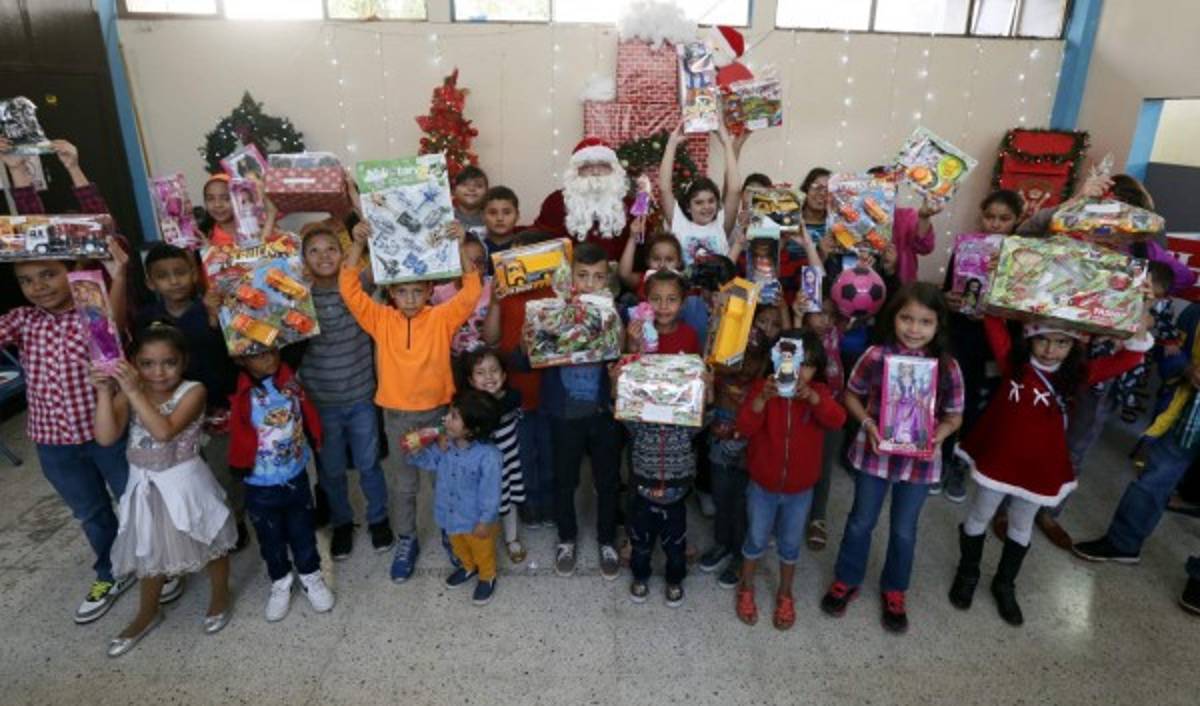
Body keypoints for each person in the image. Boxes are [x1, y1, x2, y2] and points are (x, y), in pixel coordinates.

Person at [952, 317, 1148, 625]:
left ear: (1074, 346)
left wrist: (1139, 321)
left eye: (1062, 343)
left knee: (1021, 523)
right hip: (999, 460)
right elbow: (993, 320)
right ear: (1029, 338)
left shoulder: (1076, 376)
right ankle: (967, 572)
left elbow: (1129, 358)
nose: (1050, 350)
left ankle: (1005, 583)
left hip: (1039, 467)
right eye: (1043, 339)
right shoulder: (1011, 362)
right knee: (979, 514)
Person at [340, 220, 481, 583]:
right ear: (391, 294)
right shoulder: (380, 319)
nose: (411, 299)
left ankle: (452, 534)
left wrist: (461, 245)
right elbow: (349, 289)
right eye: (403, 292)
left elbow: (471, 291)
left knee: (442, 481)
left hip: (438, 415)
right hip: (397, 415)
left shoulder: (441, 318)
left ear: (430, 289)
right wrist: (357, 245)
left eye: (418, 291)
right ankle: (407, 540)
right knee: (404, 484)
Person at [821, 283, 964, 633]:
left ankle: (895, 589)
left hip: (920, 462)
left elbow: (954, 415)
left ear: (938, 325)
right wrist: (868, 424)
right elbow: (851, 396)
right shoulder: (875, 356)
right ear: (893, 318)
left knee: (904, 530)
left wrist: (937, 436)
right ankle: (847, 578)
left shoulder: (947, 367)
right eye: (906, 318)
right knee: (860, 521)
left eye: (925, 322)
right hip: (875, 455)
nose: (914, 329)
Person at [0, 251, 133, 624]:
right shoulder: (22, 320)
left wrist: (118, 277)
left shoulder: (89, 311)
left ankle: (154, 563)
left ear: (71, 272)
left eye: (48, 275)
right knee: (90, 512)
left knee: (133, 498)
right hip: (52, 441)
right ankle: (110, 570)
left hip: (105, 434)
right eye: (26, 280)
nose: (38, 286)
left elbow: (115, 327)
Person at [92, 325, 237, 657]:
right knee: (148, 548)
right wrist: (104, 392)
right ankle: (147, 612)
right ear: (133, 364)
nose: (158, 372)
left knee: (210, 539)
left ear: (183, 361)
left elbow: (164, 432)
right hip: (143, 485)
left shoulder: (193, 391)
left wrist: (133, 392)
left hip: (185, 483)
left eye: (168, 362)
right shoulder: (132, 392)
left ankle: (219, 594)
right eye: (146, 364)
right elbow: (105, 436)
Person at [1072, 303, 1200, 567]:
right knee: (1152, 481)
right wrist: (1187, 370)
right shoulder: (1195, 314)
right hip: (1187, 418)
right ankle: (1123, 544)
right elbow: (1171, 351)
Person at [138, 244, 247, 552]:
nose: (174, 281)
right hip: (174, 413)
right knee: (191, 473)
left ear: (194, 275)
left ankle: (235, 519)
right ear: (150, 282)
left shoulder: (209, 306)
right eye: (163, 276)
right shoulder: (148, 317)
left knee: (227, 468)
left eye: (181, 272)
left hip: (218, 406)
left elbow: (234, 349)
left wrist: (215, 317)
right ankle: (197, 522)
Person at [735, 330, 846, 629]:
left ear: (817, 367)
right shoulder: (763, 388)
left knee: (789, 544)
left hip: (800, 489)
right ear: (776, 361)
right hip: (762, 485)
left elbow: (837, 420)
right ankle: (746, 587)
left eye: (806, 364)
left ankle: (785, 592)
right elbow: (744, 426)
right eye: (791, 362)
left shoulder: (818, 393)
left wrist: (813, 398)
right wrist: (761, 398)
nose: (798, 372)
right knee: (756, 538)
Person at [532, 241, 625, 579]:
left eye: (598, 277)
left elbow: (625, 354)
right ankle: (566, 538)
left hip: (603, 412)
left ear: (607, 281)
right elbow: (529, 355)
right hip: (563, 412)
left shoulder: (616, 312)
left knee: (608, 479)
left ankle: (607, 539)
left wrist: (617, 328)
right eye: (582, 276)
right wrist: (541, 327)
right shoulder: (552, 311)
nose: (589, 283)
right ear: (569, 276)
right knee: (564, 479)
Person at [298, 227, 392, 560]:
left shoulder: (356, 288)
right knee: (332, 469)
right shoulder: (298, 296)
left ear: (343, 255)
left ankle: (378, 518)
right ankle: (342, 523)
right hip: (321, 403)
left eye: (331, 249)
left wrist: (361, 238)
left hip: (361, 397)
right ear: (302, 259)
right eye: (314, 251)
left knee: (369, 464)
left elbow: (369, 263)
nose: (324, 256)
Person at [228, 346, 333, 622]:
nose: (270, 358)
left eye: (273, 351)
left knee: (303, 529)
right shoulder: (238, 387)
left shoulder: (289, 378)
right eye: (258, 354)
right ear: (240, 358)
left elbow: (299, 339)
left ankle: (311, 575)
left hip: (295, 475)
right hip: (259, 483)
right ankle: (280, 581)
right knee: (270, 538)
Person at [937, 189, 1024, 503]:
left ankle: (961, 464)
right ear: (981, 215)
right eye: (990, 217)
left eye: (1004, 218)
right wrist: (947, 299)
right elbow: (948, 290)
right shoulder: (966, 247)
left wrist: (1004, 309)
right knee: (950, 397)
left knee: (979, 403)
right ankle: (940, 456)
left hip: (996, 341)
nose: (996, 224)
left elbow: (1026, 307)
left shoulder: (1023, 255)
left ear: (1017, 221)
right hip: (961, 334)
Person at [613, 358, 705, 607]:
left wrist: (707, 386)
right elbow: (619, 407)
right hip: (643, 496)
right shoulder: (639, 424)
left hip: (676, 498)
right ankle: (640, 577)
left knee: (676, 548)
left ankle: (674, 581)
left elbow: (706, 413)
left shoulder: (686, 424)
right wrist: (616, 382)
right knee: (641, 545)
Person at [483, 230, 557, 529]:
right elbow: (490, 338)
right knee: (523, 454)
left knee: (550, 452)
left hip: (549, 388)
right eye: (513, 259)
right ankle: (530, 504)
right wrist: (496, 301)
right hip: (515, 389)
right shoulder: (503, 293)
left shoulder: (554, 291)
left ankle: (549, 504)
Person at [408, 389, 504, 606]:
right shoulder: (445, 446)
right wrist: (416, 450)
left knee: (483, 552)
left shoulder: (489, 458)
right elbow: (428, 462)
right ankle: (468, 567)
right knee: (458, 547)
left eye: (454, 417)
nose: (445, 420)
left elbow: (490, 494)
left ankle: (487, 576)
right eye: (449, 413)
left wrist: (485, 521)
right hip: (450, 515)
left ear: (472, 429)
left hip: (476, 521)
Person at [700, 320, 772, 587]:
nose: (742, 367)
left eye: (751, 360)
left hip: (747, 456)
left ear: (763, 361)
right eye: (737, 359)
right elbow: (706, 405)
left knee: (743, 506)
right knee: (721, 499)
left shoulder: (763, 387)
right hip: (719, 451)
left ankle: (741, 555)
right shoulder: (719, 378)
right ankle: (722, 544)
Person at [459, 348, 527, 564]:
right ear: (470, 380)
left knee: (509, 501)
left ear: (504, 376)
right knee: (482, 504)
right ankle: (481, 541)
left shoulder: (511, 398)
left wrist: (488, 400)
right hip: (481, 470)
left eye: (494, 371)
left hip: (507, 464)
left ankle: (511, 538)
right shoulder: (466, 406)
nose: (489, 377)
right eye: (480, 373)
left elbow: (500, 407)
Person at [793, 283, 846, 551]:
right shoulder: (798, 335)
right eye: (819, 313)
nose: (825, 320)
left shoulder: (834, 333)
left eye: (830, 315)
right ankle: (791, 514)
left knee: (824, 468)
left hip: (830, 410)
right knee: (798, 461)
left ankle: (818, 518)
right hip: (800, 412)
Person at [533, 137, 632, 262]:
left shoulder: (629, 204)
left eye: (603, 165)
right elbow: (539, 245)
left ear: (613, 170)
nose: (596, 172)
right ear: (576, 171)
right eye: (587, 166)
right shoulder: (555, 202)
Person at [659, 120, 741, 267]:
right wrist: (672, 144)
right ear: (688, 206)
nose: (707, 206)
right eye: (699, 202)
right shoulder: (679, 221)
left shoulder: (720, 222)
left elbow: (734, 189)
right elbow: (664, 188)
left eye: (711, 201)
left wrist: (726, 143)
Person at [432, 233, 492, 356]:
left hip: (487, 356)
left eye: (479, 262)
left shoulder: (494, 287)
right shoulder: (439, 293)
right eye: (465, 262)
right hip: (454, 358)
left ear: (485, 265)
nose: (473, 267)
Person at [626, 270, 700, 356]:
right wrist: (633, 345)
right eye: (656, 299)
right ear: (646, 301)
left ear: (682, 303)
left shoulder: (690, 336)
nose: (663, 306)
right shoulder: (638, 333)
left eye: (671, 299)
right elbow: (632, 364)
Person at [478, 186, 521, 273]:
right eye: (493, 213)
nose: (500, 218)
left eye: (507, 212)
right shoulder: (477, 248)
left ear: (517, 215)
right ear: (482, 216)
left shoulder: (523, 247)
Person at [452, 165, 489, 235]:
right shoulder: (446, 217)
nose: (471, 189)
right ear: (454, 191)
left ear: (486, 192)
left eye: (479, 186)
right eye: (464, 184)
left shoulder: (490, 220)